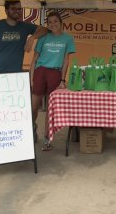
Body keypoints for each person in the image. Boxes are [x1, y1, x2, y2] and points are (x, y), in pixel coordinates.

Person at [30, 11, 75, 151]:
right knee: (34, 106)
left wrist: (62, 79)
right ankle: (31, 129)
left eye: (55, 21)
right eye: (50, 22)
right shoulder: (43, 37)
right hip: (40, 71)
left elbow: (66, 61)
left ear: (61, 23)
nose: (53, 24)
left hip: (55, 73)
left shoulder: (68, 39)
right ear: (47, 25)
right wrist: (31, 77)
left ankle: (47, 138)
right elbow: (34, 59)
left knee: (50, 108)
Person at [0, 0, 48, 74]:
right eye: (13, 9)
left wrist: (32, 37)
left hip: (14, 74)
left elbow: (45, 29)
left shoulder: (24, 26)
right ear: (6, 11)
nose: (17, 11)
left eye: (19, 9)